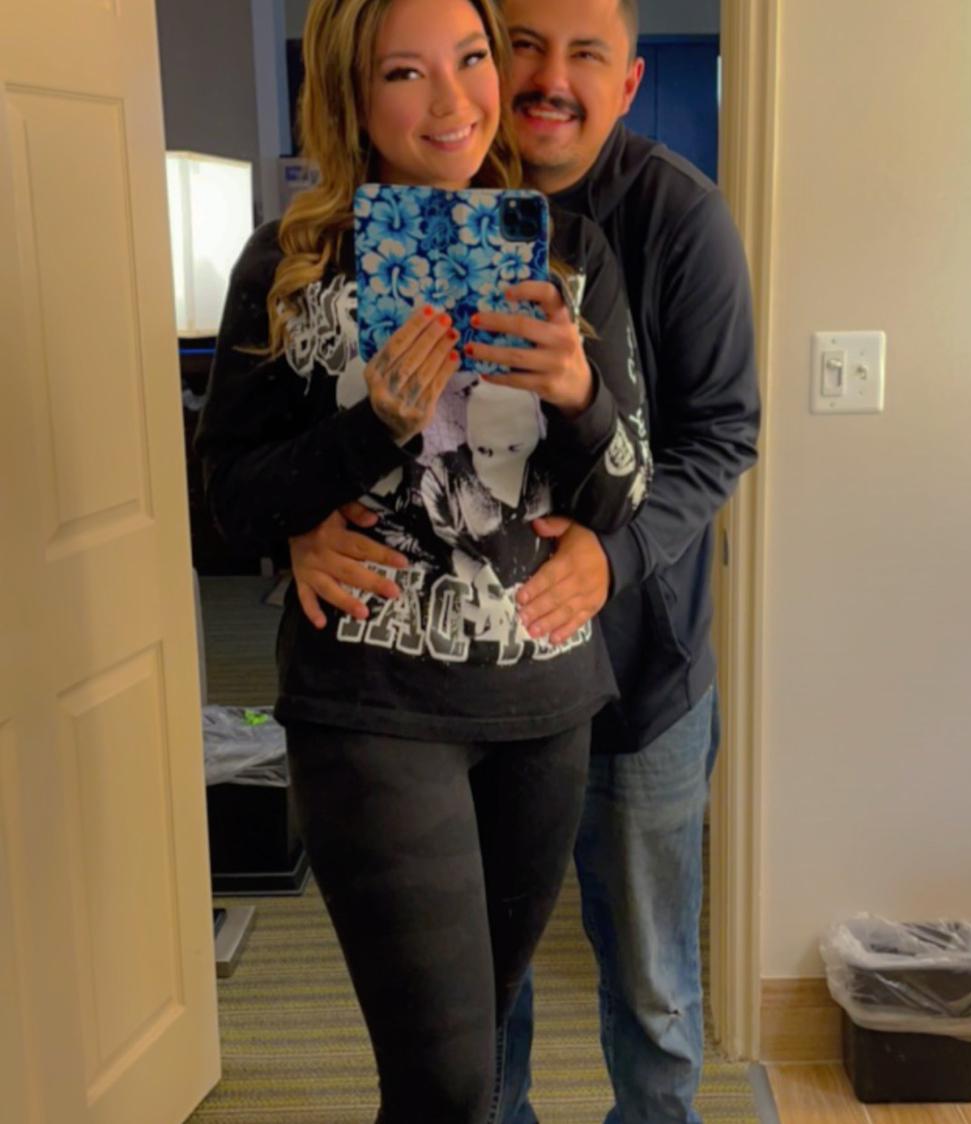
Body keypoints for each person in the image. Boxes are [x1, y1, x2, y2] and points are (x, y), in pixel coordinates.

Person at [286, 0, 760, 1120]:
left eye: (584, 53)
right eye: (522, 47)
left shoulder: (675, 217)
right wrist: (295, 525)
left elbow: (722, 432)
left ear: (628, 82)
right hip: (458, 691)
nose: (548, 77)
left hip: (639, 670)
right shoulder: (384, 228)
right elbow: (287, 437)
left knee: (651, 985)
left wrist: (616, 553)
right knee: (479, 1004)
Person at [194, 0, 650, 1120]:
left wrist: (580, 395)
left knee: (472, 1058)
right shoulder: (291, 266)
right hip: (371, 705)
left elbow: (620, 494)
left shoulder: (568, 255)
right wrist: (372, 430)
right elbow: (224, 506)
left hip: (542, 705)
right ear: (352, 94)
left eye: (471, 58)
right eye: (405, 72)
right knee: (441, 1080)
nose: (452, 101)